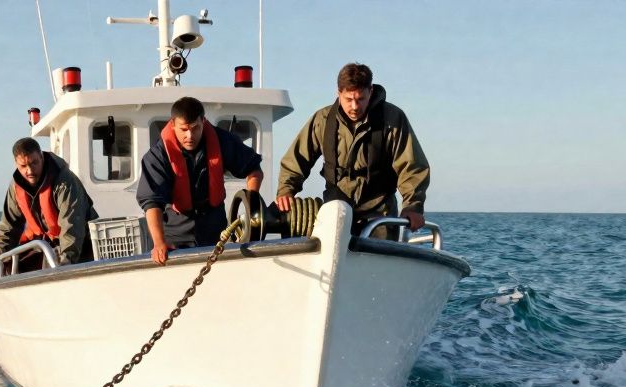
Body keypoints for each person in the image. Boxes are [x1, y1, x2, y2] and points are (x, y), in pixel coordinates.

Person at [275, 63, 430, 239]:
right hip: (336, 209)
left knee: (381, 248)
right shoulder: (322, 120)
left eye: (361, 99)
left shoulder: (393, 118)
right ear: (338, 93)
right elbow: (296, 159)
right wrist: (286, 190)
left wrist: (413, 206)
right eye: (349, 99)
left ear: (370, 92)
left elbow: (412, 165)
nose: (355, 106)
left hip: (380, 212)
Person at [137, 96, 264, 265]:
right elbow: (151, 202)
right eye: (183, 129)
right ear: (173, 124)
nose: (189, 135)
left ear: (203, 122)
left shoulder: (223, 141)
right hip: (175, 234)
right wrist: (159, 243)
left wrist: (251, 201)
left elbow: (254, 170)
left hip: (215, 230)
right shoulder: (158, 155)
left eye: (195, 128)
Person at [0, 137, 98, 273]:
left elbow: (72, 227)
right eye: (23, 166)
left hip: (82, 246)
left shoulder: (64, 182)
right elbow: (8, 228)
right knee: (11, 268)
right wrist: (0, 260)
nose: (30, 171)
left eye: (34, 163)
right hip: (46, 245)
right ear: (16, 164)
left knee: (56, 264)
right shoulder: (16, 187)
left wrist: (65, 264)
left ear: (41, 157)